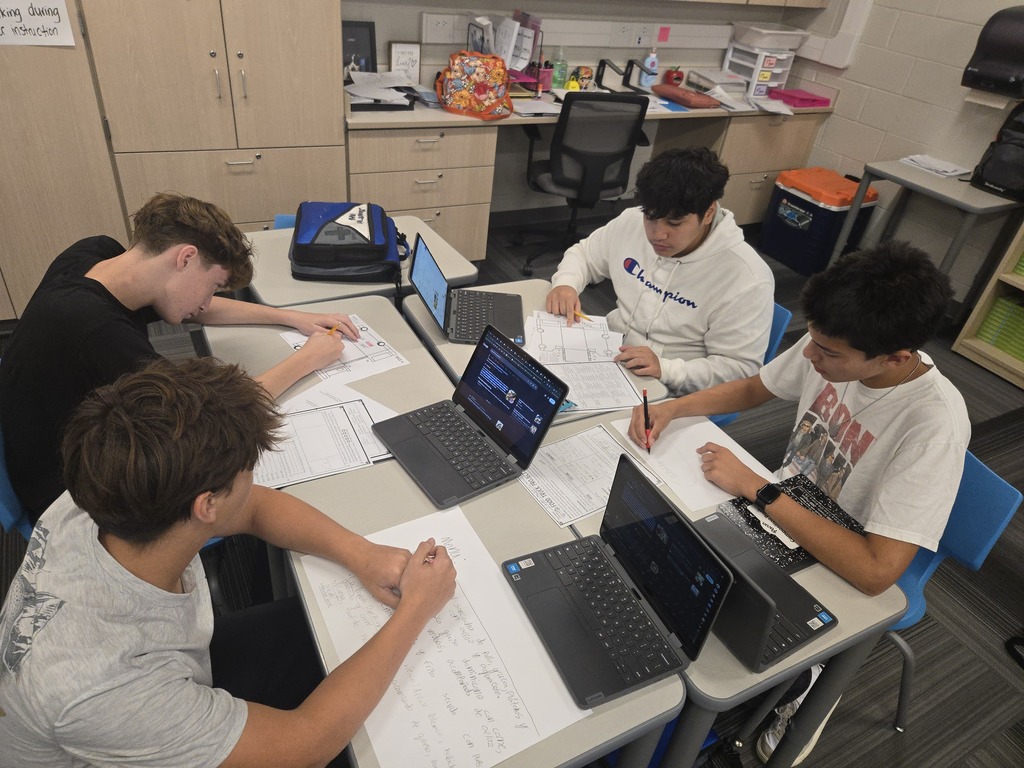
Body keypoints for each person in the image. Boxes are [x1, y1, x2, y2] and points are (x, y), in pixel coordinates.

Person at [0, 357, 457, 767]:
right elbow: (305, 746)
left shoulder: (105, 485)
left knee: (322, 631)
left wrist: (361, 553)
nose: (251, 480)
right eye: (245, 471)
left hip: (160, 669)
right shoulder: (104, 684)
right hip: (118, 724)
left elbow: (252, 507)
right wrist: (418, 608)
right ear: (207, 506)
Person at [627, 241, 969, 764]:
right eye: (812, 340)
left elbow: (878, 571)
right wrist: (674, 408)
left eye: (829, 353)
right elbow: (753, 389)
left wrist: (759, 490)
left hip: (837, 555)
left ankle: (802, 696)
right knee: (655, 563)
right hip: (777, 513)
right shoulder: (832, 344)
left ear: (897, 357)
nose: (810, 357)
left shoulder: (934, 424)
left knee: (714, 661)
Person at [0, 192, 359, 523]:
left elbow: (196, 308)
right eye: (214, 285)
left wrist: (289, 316)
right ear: (185, 257)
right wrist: (308, 358)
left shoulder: (98, 256)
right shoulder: (99, 332)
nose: (206, 301)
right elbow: (213, 413)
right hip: (70, 494)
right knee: (251, 492)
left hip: (48, 441)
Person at [545, 146, 775, 396]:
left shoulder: (747, 278)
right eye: (651, 218)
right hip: (611, 354)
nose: (658, 234)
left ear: (708, 212)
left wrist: (667, 369)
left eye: (674, 223)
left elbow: (740, 370)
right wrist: (566, 284)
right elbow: (585, 255)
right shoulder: (631, 221)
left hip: (673, 388)